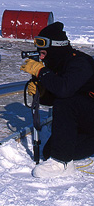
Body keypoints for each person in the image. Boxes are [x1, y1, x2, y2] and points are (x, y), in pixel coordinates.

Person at [20, 21, 94, 178]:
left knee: (66, 102)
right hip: (87, 121)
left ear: (55, 48)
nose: (40, 55)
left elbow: (64, 91)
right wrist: (42, 93)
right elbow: (56, 97)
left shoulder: (80, 62)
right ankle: (60, 157)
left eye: (43, 51)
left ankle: (62, 163)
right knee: (50, 151)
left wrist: (42, 72)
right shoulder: (59, 65)